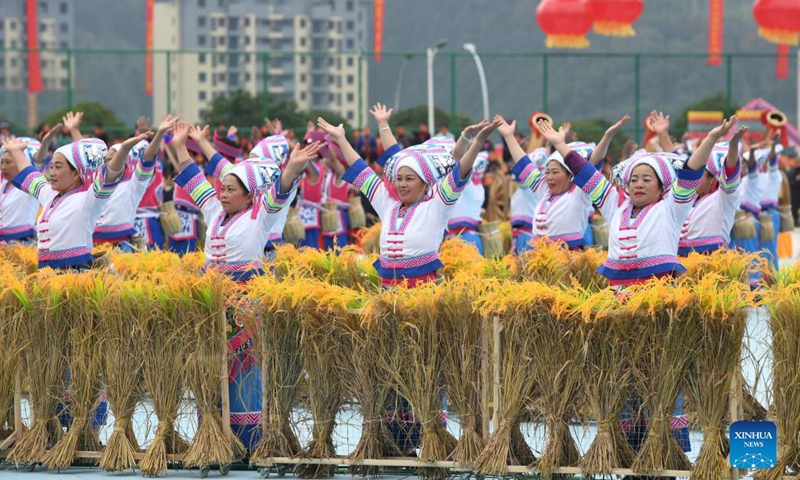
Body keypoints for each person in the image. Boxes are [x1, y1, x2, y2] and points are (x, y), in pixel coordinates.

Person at [172, 122, 320, 451]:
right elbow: (190, 175)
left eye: (230, 190)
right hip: (211, 301)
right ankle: (214, 438)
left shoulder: (261, 213)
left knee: (246, 368)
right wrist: (181, 145)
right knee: (211, 367)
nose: (222, 194)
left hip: (246, 302)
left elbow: (281, 188)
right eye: (221, 189)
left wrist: (294, 165)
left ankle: (249, 442)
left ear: (248, 194)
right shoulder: (213, 209)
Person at [537, 115, 736, 285]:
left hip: (657, 297)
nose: (638, 184)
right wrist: (560, 144)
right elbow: (587, 174)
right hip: (617, 292)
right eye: (633, 180)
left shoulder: (672, 208)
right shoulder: (615, 205)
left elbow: (690, 173)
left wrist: (710, 139)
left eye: (646, 179)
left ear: (661, 187)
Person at [318, 112, 498, 287]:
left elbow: (460, 172)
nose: (402, 184)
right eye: (399, 179)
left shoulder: (436, 205)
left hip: (422, 297)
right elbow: (361, 171)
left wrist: (477, 142)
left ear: (425, 184)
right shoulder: (388, 203)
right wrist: (341, 139)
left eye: (410, 179)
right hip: (387, 294)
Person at [3, 131, 150, 269]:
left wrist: (123, 150)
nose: (51, 173)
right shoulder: (49, 194)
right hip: (47, 275)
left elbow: (108, 177)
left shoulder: (88, 199)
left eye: (58, 167)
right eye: (52, 167)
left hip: (77, 277)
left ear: (76, 173)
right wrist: (16, 151)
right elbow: (30, 174)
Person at [502, 115, 628, 250]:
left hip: (569, 260)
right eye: (547, 172)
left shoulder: (579, 191)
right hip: (539, 259)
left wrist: (607, 137)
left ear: (570, 175)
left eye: (555, 172)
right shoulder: (544, 190)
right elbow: (523, 163)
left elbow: (592, 165)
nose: (549, 177)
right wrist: (509, 136)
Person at [94, 115, 180, 251]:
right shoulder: (97, 186)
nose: (109, 164)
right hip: (97, 246)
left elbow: (148, 158)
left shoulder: (132, 185)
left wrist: (159, 133)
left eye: (114, 159)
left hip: (123, 246)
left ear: (126, 163)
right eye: (106, 161)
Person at [677, 127, 747, 255]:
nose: (693, 177)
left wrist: (733, 146)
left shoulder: (723, 199)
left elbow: (730, 174)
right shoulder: (687, 199)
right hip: (682, 264)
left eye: (699, 174)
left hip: (711, 264)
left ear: (712, 178)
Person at [0, 139, 43, 245]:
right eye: (1, 162)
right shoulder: (3, 183)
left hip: (23, 243)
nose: (3, 167)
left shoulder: (29, 184)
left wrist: (46, 141)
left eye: (8, 162)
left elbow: (39, 160)